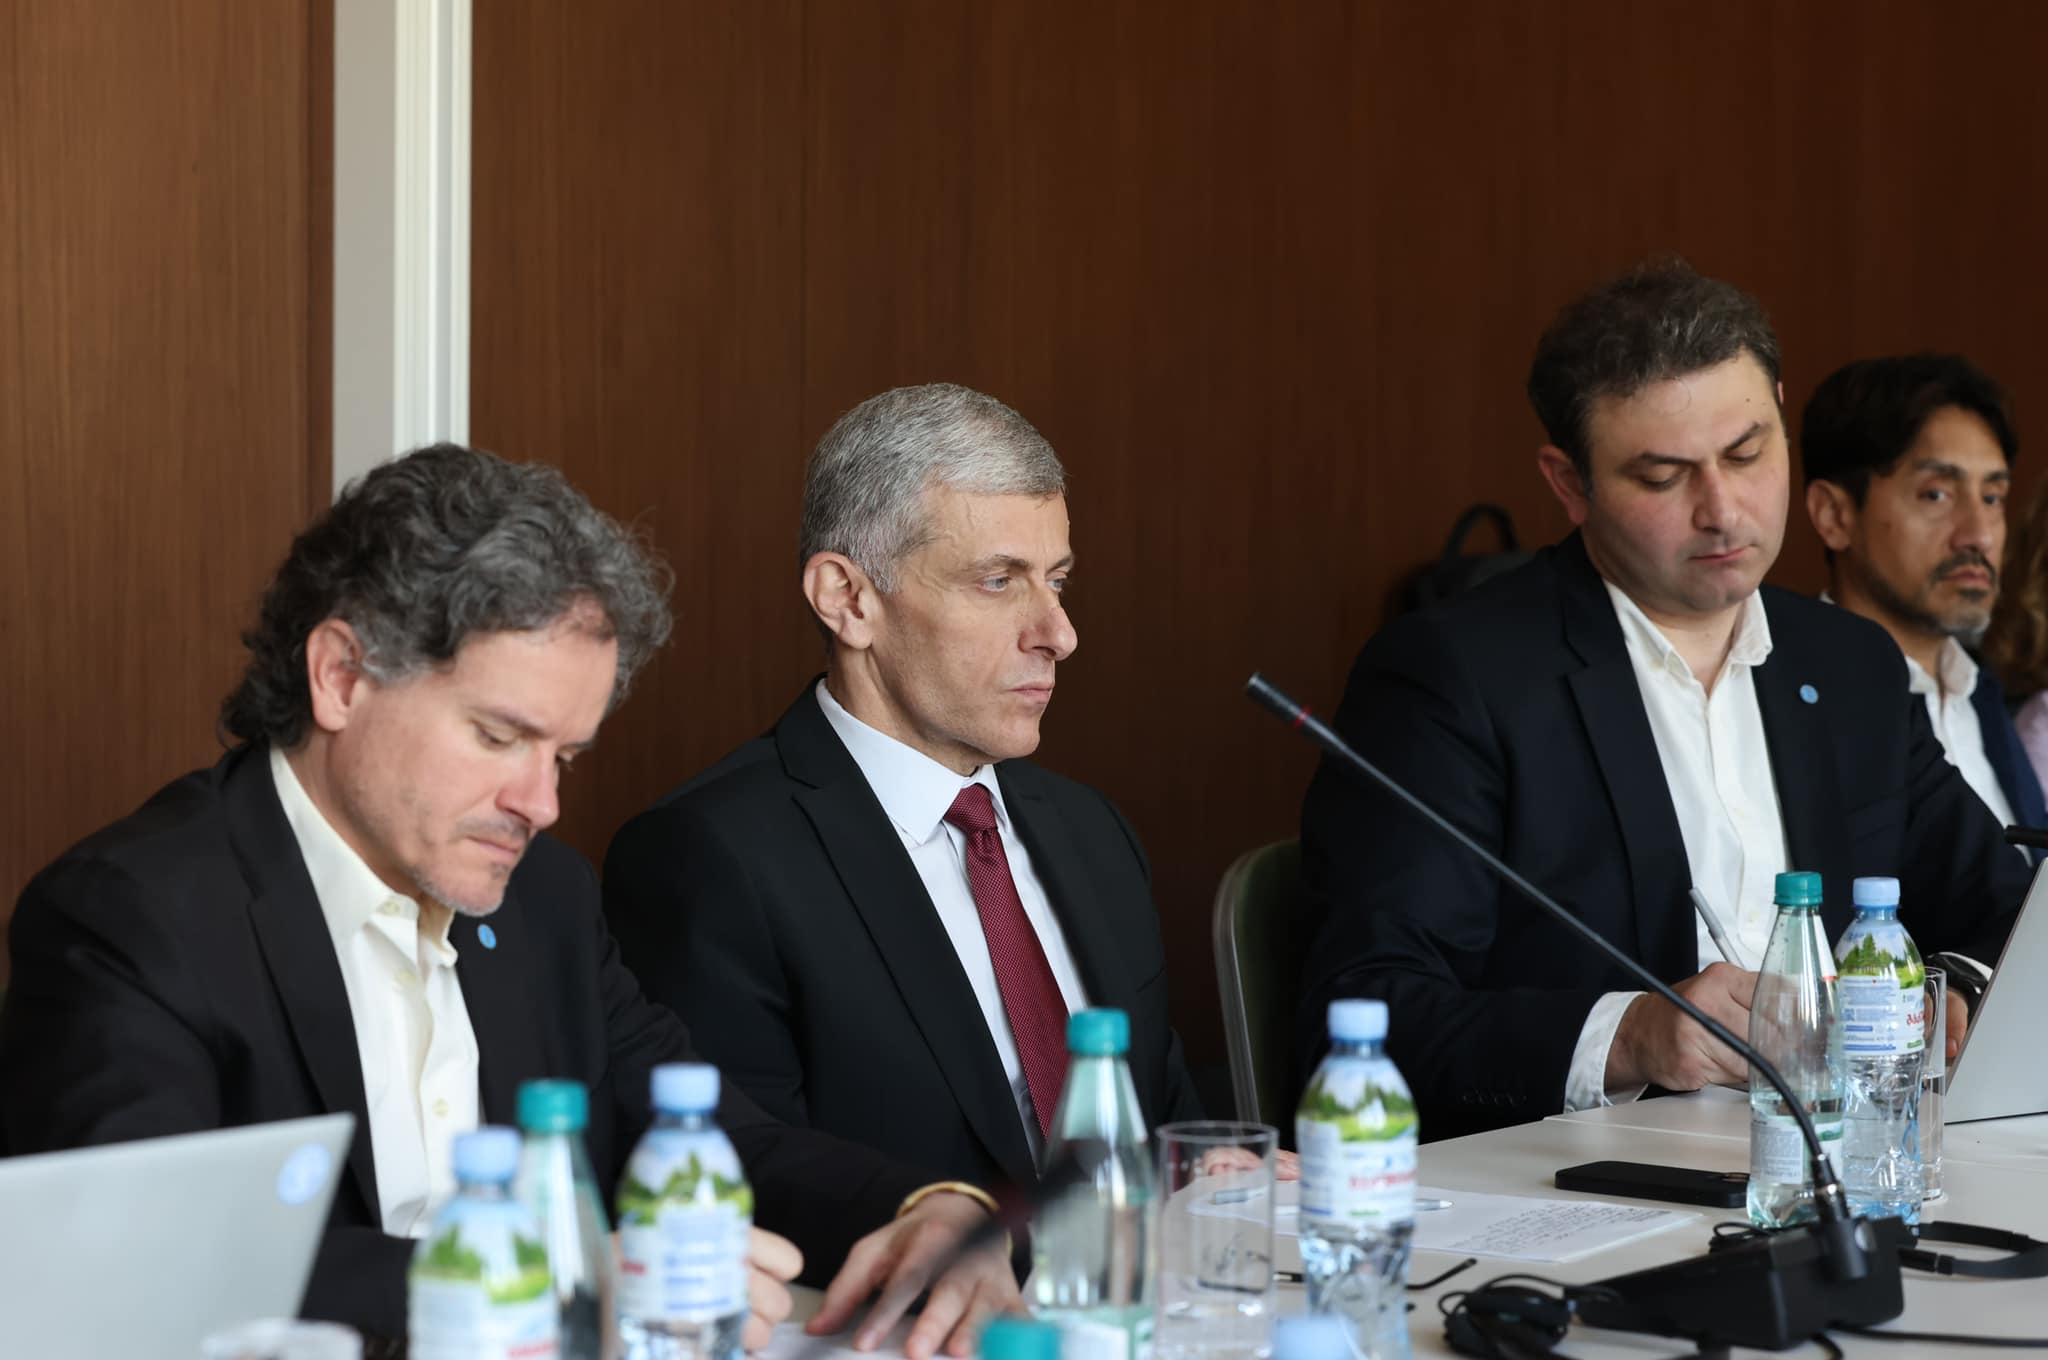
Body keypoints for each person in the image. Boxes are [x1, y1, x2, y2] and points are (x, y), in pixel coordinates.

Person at [0, 445, 1014, 1358]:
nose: (542, 803)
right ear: (341, 677)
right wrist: (536, 1291)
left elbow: (711, 1135)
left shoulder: (543, 900)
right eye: (498, 737)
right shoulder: (134, 915)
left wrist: (925, 1207)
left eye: (563, 755)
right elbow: (140, 1259)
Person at [1297, 262, 2027, 1141]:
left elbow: (2009, 908)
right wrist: (1630, 1037)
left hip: (1852, 1157)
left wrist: (1958, 987)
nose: (1722, 510)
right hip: (1589, 1178)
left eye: (1747, 454)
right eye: (1662, 476)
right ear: (1569, 484)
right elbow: (1368, 1004)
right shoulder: (1454, 679)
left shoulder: (1849, 665)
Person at [605, 384, 1206, 1221]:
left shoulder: (1091, 831)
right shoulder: (708, 858)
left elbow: (1161, 1124)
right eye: (998, 581)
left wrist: (1220, 1170)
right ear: (848, 599)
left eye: (1058, 581)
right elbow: (737, 1181)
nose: (1059, 634)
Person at [1800, 353, 2045, 836]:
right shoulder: (1793, 704)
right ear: (1834, 515)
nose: (1979, 535)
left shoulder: (1985, 696)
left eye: (1992, 498)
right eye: (1936, 494)